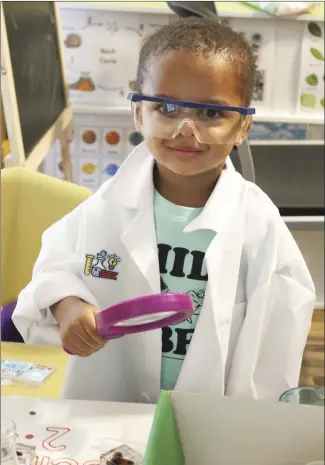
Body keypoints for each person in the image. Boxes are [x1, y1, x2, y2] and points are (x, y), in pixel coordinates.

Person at [13, 18, 315, 403]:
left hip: (208, 417)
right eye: (167, 107)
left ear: (242, 127)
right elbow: (54, 267)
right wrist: (69, 306)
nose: (186, 129)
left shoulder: (259, 226)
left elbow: (275, 347)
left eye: (210, 114)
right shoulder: (105, 207)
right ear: (140, 115)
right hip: (109, 406)